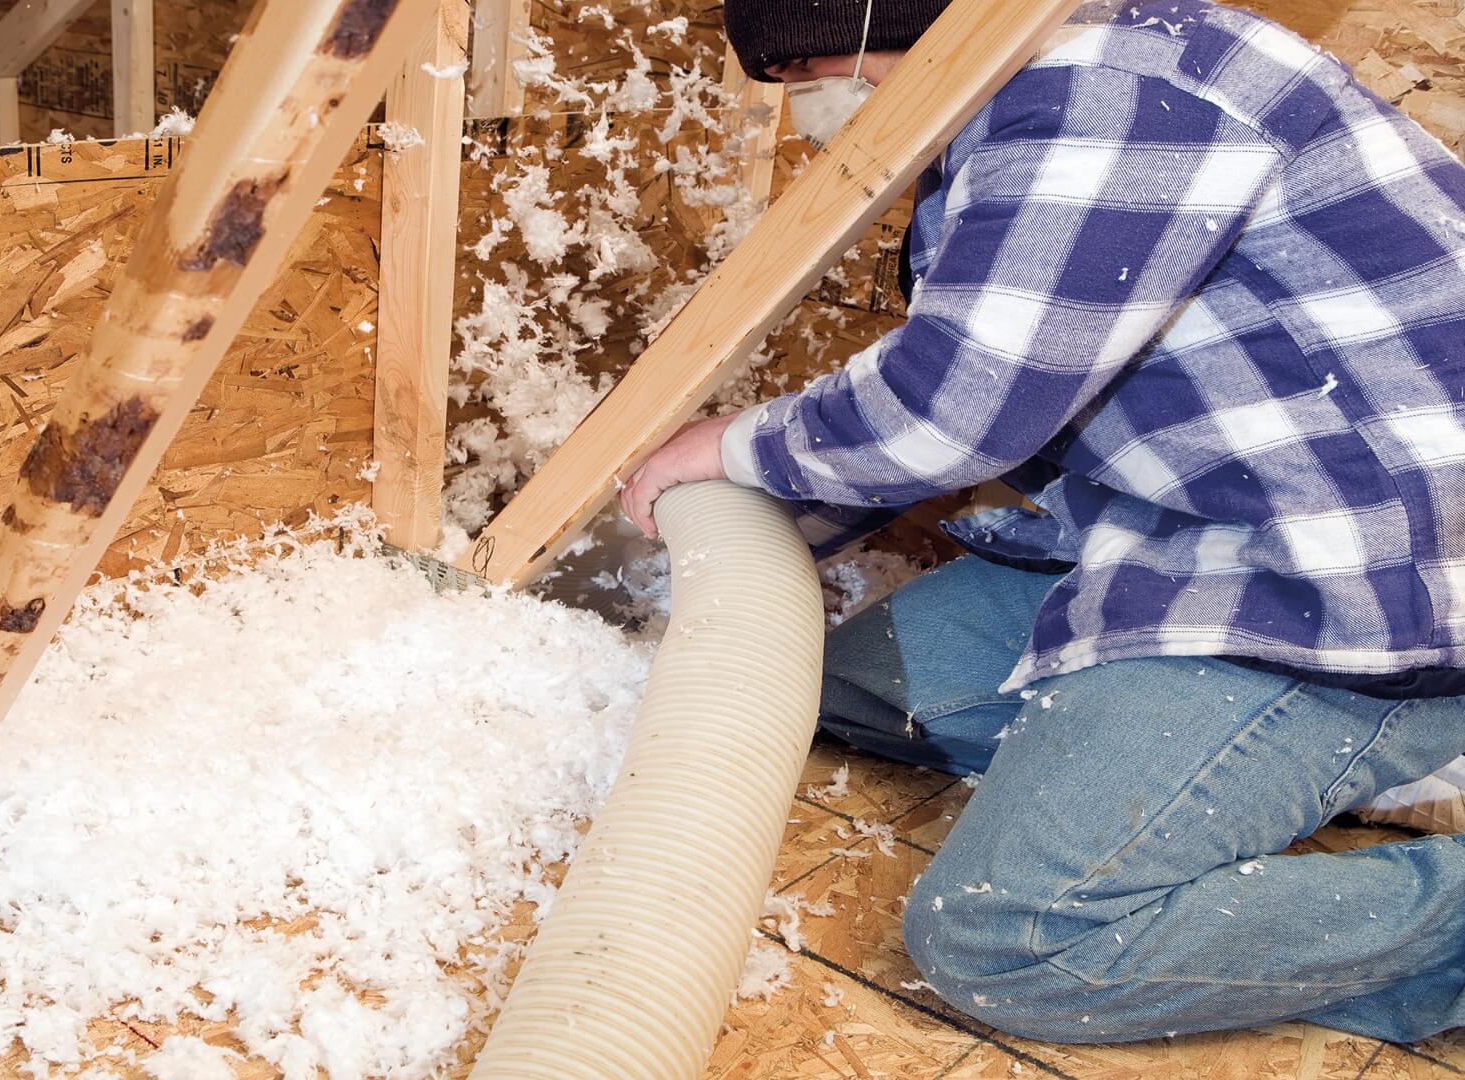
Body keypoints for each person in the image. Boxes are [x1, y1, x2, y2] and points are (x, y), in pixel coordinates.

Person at [619, 0, 1465, 1046]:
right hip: (1171, 536)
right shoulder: (1030, 93)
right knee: (844, 687)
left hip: (1351, 592)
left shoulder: (1115, 96)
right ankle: (1291, 772)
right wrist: (778, 510)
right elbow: (1015, 396)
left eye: (842, 76)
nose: (822, 111)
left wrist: (727, 448)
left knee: (1013, 942)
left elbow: (951, 410)